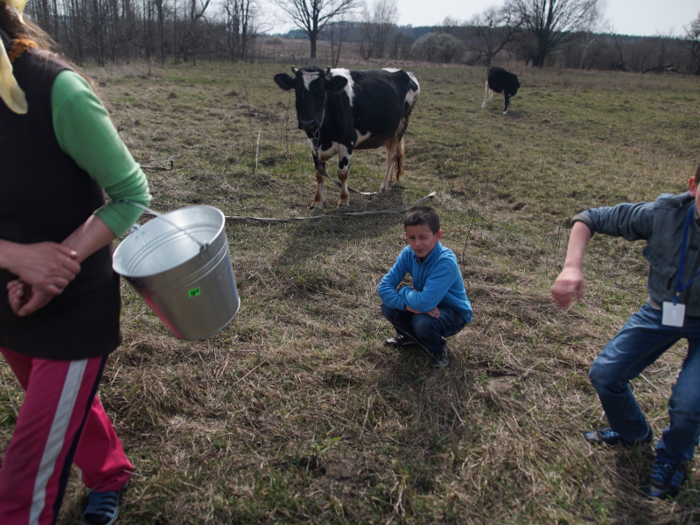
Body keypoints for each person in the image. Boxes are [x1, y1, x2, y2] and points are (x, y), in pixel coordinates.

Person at [0, 0, 151, 523]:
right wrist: (15, 258)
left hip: (73, 307)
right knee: (65, 407)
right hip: (9, 297)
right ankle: (109, 471)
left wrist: (57, 263)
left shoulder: (54, 90)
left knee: (23, 476)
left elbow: (131, 194)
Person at [552, 162, 700, 500]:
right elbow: (588, 218)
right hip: (663, 310)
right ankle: (631, 432)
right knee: (606, 373)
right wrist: (572, 267)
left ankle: (674, 459)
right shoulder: (664, 213)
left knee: (690, 405)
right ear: (692, 187)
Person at [378, 206, 472, 368]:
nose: (417, 244)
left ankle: (437, 348)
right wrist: (410, 306)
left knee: (423, 321)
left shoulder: (445, 262)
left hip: (454, 313)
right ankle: (411, 338)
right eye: (412, 238)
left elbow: (424, 304)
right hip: (424, 303)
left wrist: (404, 291)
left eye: (423, 237)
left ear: (437, 236)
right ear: (406, 236)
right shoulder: (408, 253)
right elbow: (384, 287)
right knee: (389, 307)